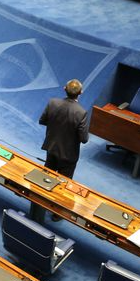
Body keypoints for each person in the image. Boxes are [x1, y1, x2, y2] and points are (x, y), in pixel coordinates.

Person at [36, 79, 89, 221]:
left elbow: (42, 120)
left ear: (64, 88)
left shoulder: (53, 103)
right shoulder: (81, 113)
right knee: (64, 184)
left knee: (47, 177)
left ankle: (39, 204)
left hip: (51, 148)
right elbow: (84, 139)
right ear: (81, 93)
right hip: (68, 155)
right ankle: (56, 213)